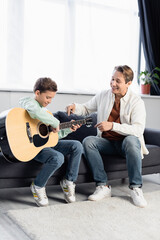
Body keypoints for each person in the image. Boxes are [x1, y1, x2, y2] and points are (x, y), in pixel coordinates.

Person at [66, 65, 149, 208]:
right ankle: (103, 186)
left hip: (126, 145)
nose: (113, 84)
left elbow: (138, 129)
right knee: (89, 141)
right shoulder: (104, 95)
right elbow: (86, 108)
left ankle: (136, 188)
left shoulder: (136, 102)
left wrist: (112, 125)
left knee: (130, 139)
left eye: (118, 81)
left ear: (128, 84)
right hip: (108, 143)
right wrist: (75, 106)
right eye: (112, 79)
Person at [19, 77, 83, 207]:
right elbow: (34, 111)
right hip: (33, 146)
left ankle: (69, 182)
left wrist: (68, 130)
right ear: (37, 93)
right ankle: (37, 186)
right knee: (58, 157)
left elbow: (52, 136)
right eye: (47, 97)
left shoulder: (45, 113)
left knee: (77, 145)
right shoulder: (27, 103)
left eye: (52, 98)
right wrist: (55, 122)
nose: (49, 101)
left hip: (46, 144)